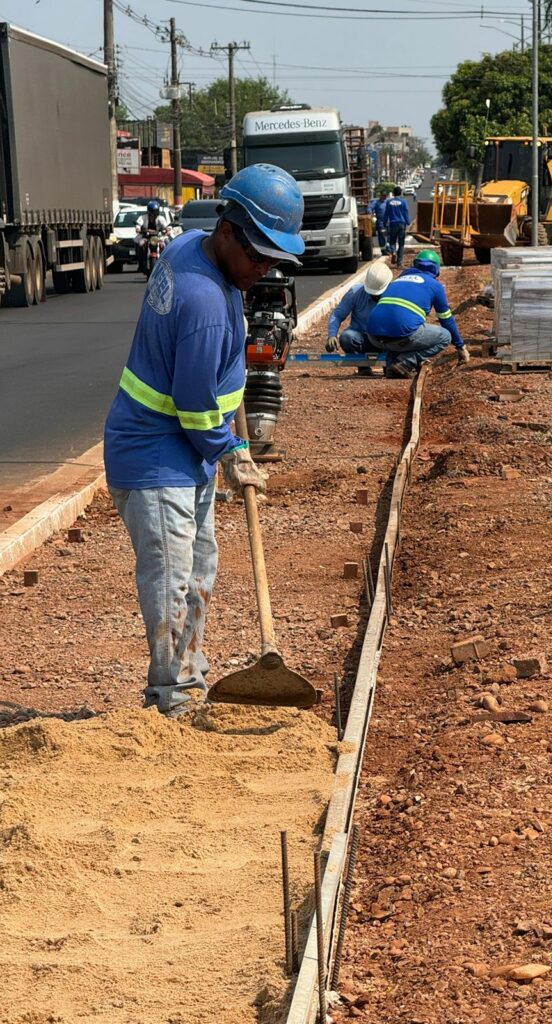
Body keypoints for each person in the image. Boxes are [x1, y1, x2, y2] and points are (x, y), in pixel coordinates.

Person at [103, 164, 305, 719]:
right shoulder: (204, 306)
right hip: (156, 454)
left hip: (181, 452)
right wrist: (233, 451)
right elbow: (193, 408)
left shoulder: (190, 247)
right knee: (172, 584)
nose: (263, 269)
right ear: (226, 231)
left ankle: (188, 677)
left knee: (198, 572)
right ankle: (174, 702)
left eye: (273, 259)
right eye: (257, 256)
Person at [367, 249, 470, 378]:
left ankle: (391, 366)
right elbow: (446, 319)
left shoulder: (397, 280)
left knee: (399, 329)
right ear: (436, 269)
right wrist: (460, 346)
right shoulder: (435, 285)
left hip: (373, 337)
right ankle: (405, 363)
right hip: (400, 336)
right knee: (445, 337)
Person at [325, 262, 393, 373]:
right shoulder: (355, 293)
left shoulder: (396, 295)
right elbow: (337, 314)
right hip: (363, 339)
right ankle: (363, 366)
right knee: (347, 337)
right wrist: (331, 335)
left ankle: (389, 365)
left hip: (387, 340)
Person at [136, 199, 171, 272]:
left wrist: (167, 230)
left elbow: (166, 226)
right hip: (146, 237)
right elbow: (138, 224)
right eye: (152, 211)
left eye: (155, 211)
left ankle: (168, 264)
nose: (154, 213)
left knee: (167, 244)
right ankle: (140, 263)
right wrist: (138, 229)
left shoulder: (160, 218)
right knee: (139, 244)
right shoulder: (143, 217)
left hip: (159, 237)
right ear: (149, 211)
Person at [382, 186, 411, 268]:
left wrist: (384, 223)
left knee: (392, 241)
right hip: (401, 224)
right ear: (400, 193)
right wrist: (408, 222)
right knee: (401, 244)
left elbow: (386, 214)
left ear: (393, 193)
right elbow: (406, 213)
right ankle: (399, 262)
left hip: (392, 224)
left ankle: (393, 251)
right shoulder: (403, 202)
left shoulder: (388, 202)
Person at [368, 190, 390, 255]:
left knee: (390, 236)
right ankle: (383, 251)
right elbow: (370, 207)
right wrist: (370, 212)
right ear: (380, 196)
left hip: (388, 222)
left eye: (385, 196)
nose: (384, 197)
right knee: (382, 237)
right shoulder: (376, 202)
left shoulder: (387, 202)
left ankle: (389, 249)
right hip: (381, 223)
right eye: (383, 196)